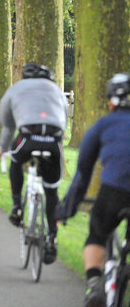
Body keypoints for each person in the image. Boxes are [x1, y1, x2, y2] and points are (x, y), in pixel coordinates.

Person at [56, 72, 130, 307]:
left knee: (97, 234)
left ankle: (95, 286)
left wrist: (67, 209)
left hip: (114, 191)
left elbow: (82, 174)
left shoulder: (104, 125)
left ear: (110, 101)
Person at [0, 62, 68, 265]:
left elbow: (7, 124)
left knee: (16, 160)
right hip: (54, 141)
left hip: (28, 137)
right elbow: (63, 119)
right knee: (52, 191)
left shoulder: (16, 88)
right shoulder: (57, 90)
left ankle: (17, 206)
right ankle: (52, 238)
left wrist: (3, 147)